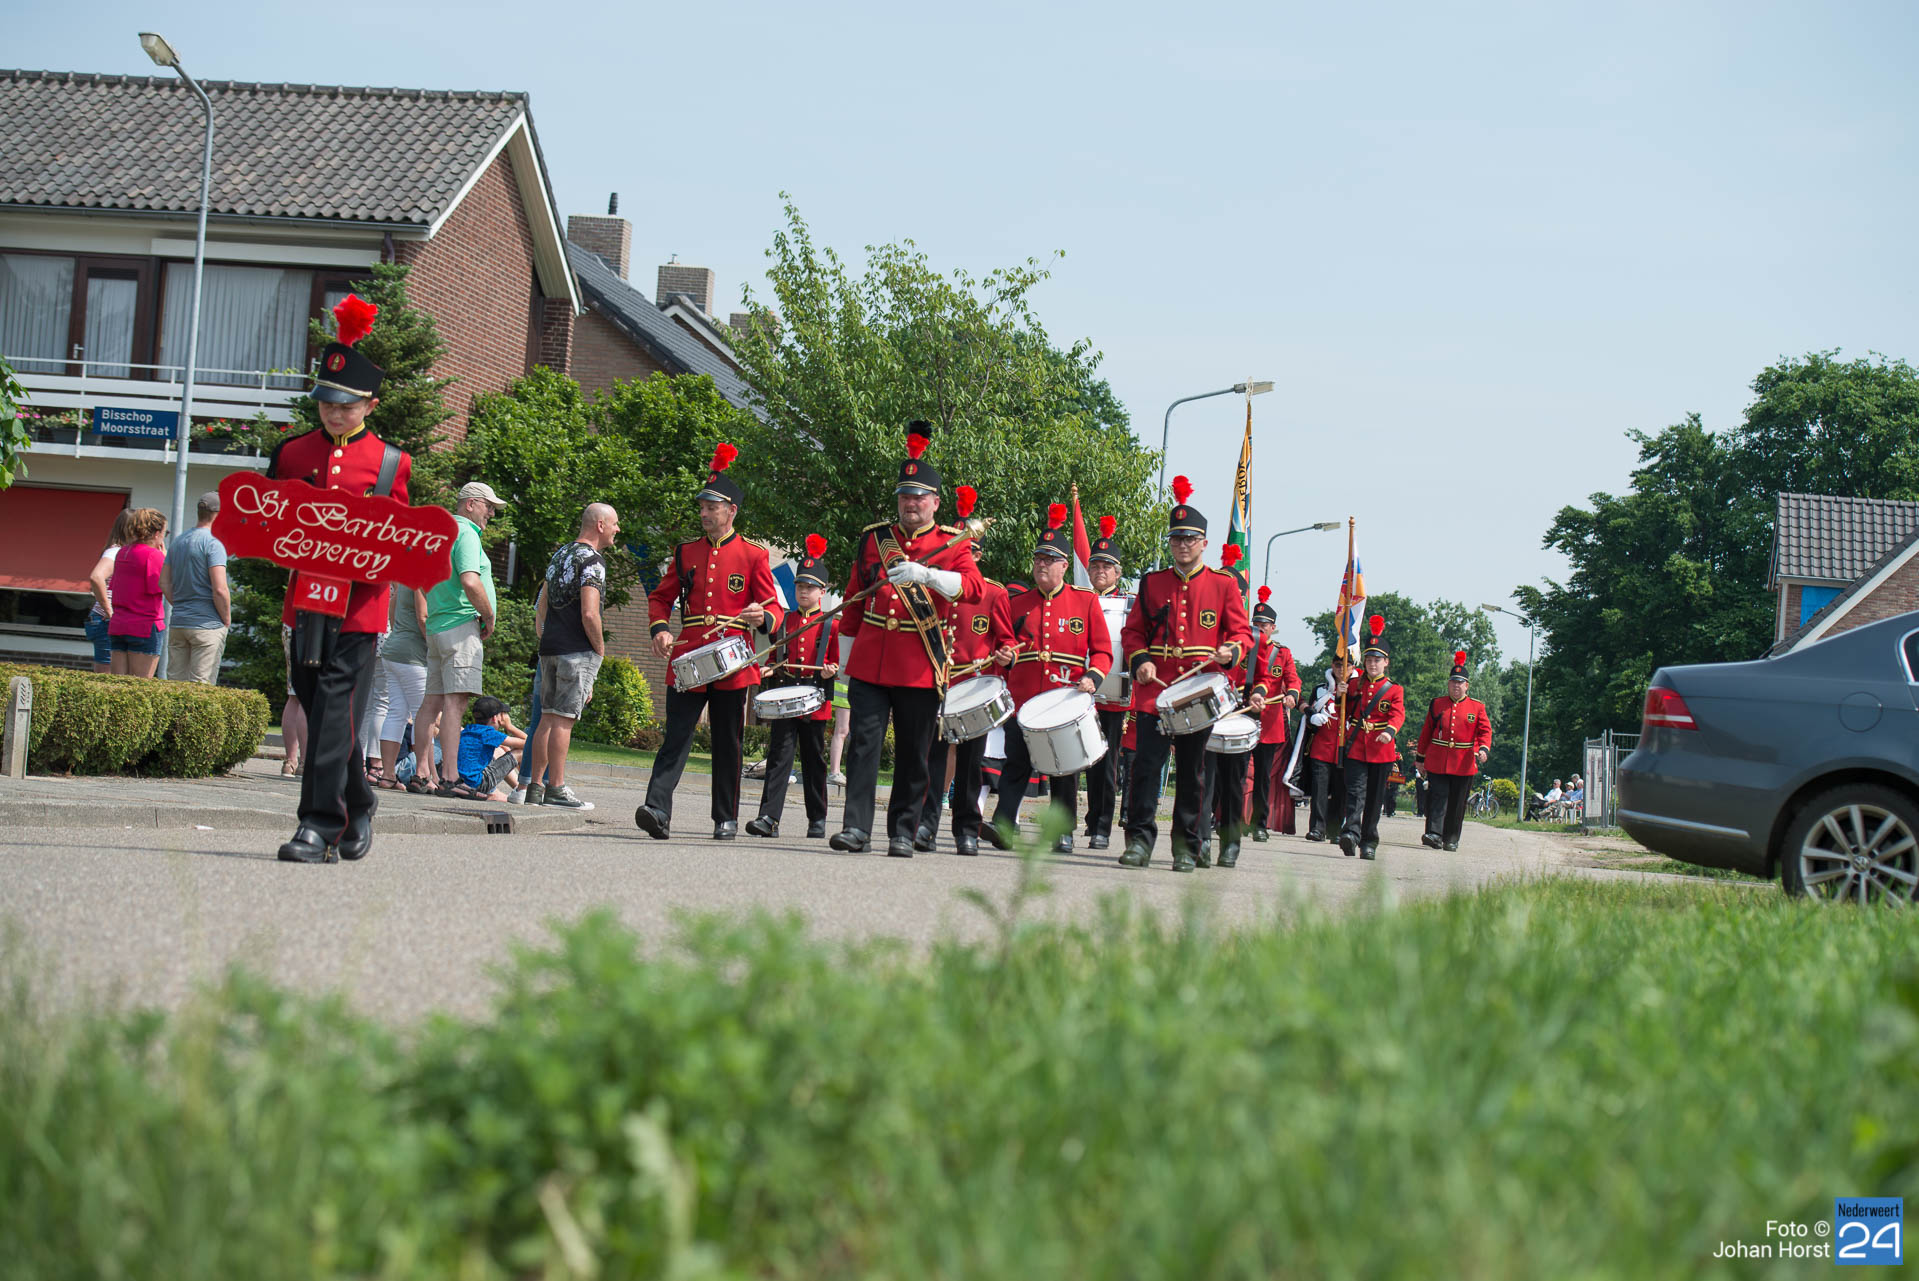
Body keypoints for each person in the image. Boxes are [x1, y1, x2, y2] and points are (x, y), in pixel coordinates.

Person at [270, 295, 413, 864]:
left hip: (359, 610)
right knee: (326, 712)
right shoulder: (291, 453)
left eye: (346, 405)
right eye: (326, 403)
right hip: (304, 603)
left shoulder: (390, 463)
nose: (333, 413)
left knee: (334, 709)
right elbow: (268, 522)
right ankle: (359, 801)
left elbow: (401, 539)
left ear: (370, 405)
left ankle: (318, 825)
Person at [831, 421, 985, 857]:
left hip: (919, 665)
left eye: (919, 497)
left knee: (915, 753)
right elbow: (853, 600)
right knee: (863, 746)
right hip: (871, 661)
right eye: (904, 496)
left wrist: (928, 575)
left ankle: (903, 830)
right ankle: (856, 828)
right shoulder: (875, 539)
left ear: (935, 502)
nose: (910, 504)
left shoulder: (953, 543)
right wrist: (846, 662)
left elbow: (973, 589)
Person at [635, 443, 783, 841]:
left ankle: (725, 818)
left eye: (711, 507)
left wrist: (763, 616)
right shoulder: (685, 552)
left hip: (733, 658)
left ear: (731, 510)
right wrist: (660, 629)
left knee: (727, 743)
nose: (704, 513)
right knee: (676, 737)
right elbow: (660, 597)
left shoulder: (753, 554)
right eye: (701, 507)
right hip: (688, 653)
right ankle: (657, 810)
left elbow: (773, 607)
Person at [1117, 476, 1252, 872]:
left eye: (1189, 539)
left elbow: (1242, 633)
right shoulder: (1152, 583)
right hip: (1154, 692)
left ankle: (1186, 847)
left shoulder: (1223, 585)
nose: (1182, 545)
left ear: (1203, 543)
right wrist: (1141, 659)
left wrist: (1230, 652)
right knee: (1145, 770)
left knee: (1193, 775)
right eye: (1176, 539)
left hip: (1198, 694)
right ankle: (1139, 842)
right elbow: (1132, 632)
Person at [986, 504, 1113, 854]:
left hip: (1063, 700)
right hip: (1023, 699)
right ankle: (1004, 826)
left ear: (1064, 565)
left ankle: (1062, 831)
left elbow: (1103, 652)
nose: (1042, 564)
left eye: (1050, 559)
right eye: (1038, 558)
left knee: (1064, 769)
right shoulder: (1016, 603)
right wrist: (1006, 655)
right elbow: (1003, 644)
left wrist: (1093, 677)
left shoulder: (1085, 602)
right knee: (1016, 764)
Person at [525, 503, 619, 809]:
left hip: (550, 648)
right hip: (576, 651)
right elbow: (590, 613)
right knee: (564, 720)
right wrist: (599, 650)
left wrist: (545, 637)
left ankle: (535, 788)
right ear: (601, 525)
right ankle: (557, 788)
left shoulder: (559, 555)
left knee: (546, 718)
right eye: (615, 524)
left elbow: (541, 607)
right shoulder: (593, 561)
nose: (618, 529)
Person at [746, 535, 841, 839]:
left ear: (822, 592)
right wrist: (769, 666)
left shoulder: (831, 624)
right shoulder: (785, 622)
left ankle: (817, 819)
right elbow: (776, 657)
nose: (803, 591)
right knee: (778, 759)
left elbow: (836, 662)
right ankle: (768, 818)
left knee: (814, 762)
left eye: (810, 587)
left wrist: (830, 670)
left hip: (816, 701)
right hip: (785, 700)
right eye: (800, 586)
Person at [416, 481, 503, 797]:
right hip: (460, 626)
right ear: (470, 504)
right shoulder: (465, 534)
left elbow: (423, 581)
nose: (491, 513)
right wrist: (488, 615)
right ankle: (451, 777)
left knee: (431, 702)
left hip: (438, 626)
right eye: (488, 506)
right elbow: (470, 580)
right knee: (456, 702)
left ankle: (421, 773)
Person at [1197, 549, 1271, 869]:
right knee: (1202, 782)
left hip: (1238, 717)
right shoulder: (1202, 628)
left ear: (1240, 597)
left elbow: (1263, 677)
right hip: (1204, 715)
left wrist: (1258, 694)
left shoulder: (1254, 636)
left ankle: (1230, 844)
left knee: (1232, 785)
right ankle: (1200, 841)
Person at [1338, 616, 1406, 861]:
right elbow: (1343, 710)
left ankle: (1369, 841)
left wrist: (1390, 731)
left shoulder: (1394, 689)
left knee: (1375, 799)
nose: (1372, 664)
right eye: (1368, 660)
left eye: (1377, 660)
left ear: (1386, 662)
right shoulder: (1354, 684)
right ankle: (1351, 833)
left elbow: (1398, 714)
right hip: (1357, 746)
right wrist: (1340, 694)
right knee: (1355, 793)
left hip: (1381, 750)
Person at [1083, 513, 1131, 850]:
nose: (1100, 571)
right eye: (1095, 566)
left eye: (1106, 566)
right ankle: (1089, 820)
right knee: (1084, 758)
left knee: (1108, 762)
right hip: (1081, 691)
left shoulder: (1128, 604)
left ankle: (1102, 825)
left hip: (1112, 694)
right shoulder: (1079, 599)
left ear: (1118, 572)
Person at [1414, 651, 1493, 851]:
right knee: (1437, 797)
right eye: (1453, 682)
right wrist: (1420, 758)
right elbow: (1426, 732)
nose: (1456, 686)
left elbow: (1485, 731)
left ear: (1467, 685)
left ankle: (1451, 838)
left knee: (1457, 803)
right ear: (1448, 684)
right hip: (1438, 759)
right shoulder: (1437, 704)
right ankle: (1434, 834)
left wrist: (1483, 749)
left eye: (1460, 683)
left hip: (1464, 762)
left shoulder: (1477, 707)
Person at [160, 491, 231, 684]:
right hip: (207, 625)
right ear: (219, 515)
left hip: (179, 623)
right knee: (201, 687)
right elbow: (220, 589)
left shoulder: (178, 541)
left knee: (175, 685)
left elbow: (164, 582)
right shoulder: (214, 544)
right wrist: (226, 618)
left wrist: (180, 604)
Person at [372, 583, 429, 791]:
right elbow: (423, 617)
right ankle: (423, 774)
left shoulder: (405, 580)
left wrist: (400, 633)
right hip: (413, 655)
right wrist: (435, 648)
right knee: (423, 714)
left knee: (396, 712)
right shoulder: (423, 580)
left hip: (393, 649)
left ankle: (387, 774)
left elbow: (392, 610)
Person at [107, 507, 168, 677]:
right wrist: (165, 559)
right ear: (157, 533)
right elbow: (165, 586)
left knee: (117, 684)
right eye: (165, 533)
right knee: (140, 686)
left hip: (119, 624)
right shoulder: (154, 555)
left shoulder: (123, 552)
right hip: (145, 625)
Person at [1303, 654, 1351, 841]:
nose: (1341, 669)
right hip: (1322, 748)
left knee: (1340, 792)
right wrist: (1312, 718)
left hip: (1344, 749)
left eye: (1346, 665)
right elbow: (1309, 715)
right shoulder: (1320, 690)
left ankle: (1335, 829)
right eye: (1338, 665)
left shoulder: (1357, 690)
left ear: (1352, 668)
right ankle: (1317, 828)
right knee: (1319, 791)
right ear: (1332, 666)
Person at [84, 509, 133, 674]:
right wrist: (110, 611)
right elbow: (96, 577)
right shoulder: (115, 552)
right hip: (105, 620)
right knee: (106, 676)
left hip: (107, 619)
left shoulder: (120, 551)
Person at [456, 695, 525, 801]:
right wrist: (509, 727)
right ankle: (524, 790)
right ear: (495, 718)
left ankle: (519, 788)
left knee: (500, 750)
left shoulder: (469, 729)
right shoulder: (489, 733)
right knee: (520, 752)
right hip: (478, 784)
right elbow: (529, 743)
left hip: (461, 781)